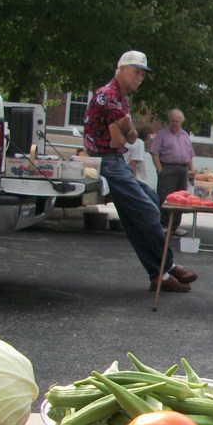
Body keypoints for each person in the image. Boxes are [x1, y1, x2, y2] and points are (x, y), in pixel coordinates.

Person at [82, 50, 197, 293]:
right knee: (146, 209)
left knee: (148, 207)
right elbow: (123, 139)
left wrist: (127, 131)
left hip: (114, 159)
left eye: (143, 74)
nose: (140, 78)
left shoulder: (121, 99)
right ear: (121, 69)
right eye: (136, 72)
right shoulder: (109, 97)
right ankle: (167, 268)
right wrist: (127, 131)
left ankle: (160, 274)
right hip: (104, 161)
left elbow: (129, 137)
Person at [151, 108, 194, 236]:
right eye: (172, 121)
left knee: (181, 198)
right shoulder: (162, 134)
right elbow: (154, 153)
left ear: (181, 122)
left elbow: (190, 154)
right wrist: (160, 170)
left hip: (183, 169)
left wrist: (191, 170)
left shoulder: (185, 135)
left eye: (177, 121)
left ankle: (175, 226)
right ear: (168, 121)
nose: (174, 124)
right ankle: (164, 224)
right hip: (167, 168)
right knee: (166, 197)